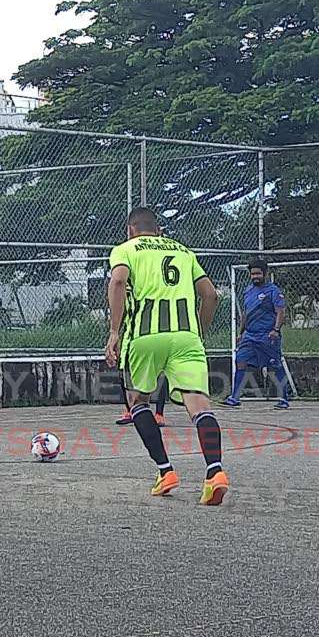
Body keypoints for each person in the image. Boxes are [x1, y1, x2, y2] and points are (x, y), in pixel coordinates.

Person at [104, 207, 229, 505]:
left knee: (138, 401)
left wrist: (114, 332)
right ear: (159, 230)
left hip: (145, 337)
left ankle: (166, 471)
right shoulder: (184, 252)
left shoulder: (126, 249)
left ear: (130, 230)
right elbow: (211, 295)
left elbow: (118, 282)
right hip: (186, 337)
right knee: (199, 406)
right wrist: (198, 331)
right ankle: (215, 473)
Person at [224, 259, 291, 409]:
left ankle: (284, 398)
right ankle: (235, 397)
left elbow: (280, 312)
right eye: (253, 274)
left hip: (267, 336)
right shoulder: (248, 291)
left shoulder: (273, 291)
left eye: (258, 274)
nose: (255, 276)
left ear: (264, 274)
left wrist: (276, 330)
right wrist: (241, 333)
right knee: (240, 361)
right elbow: (245, 314)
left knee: (275, 365)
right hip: (249, 336)